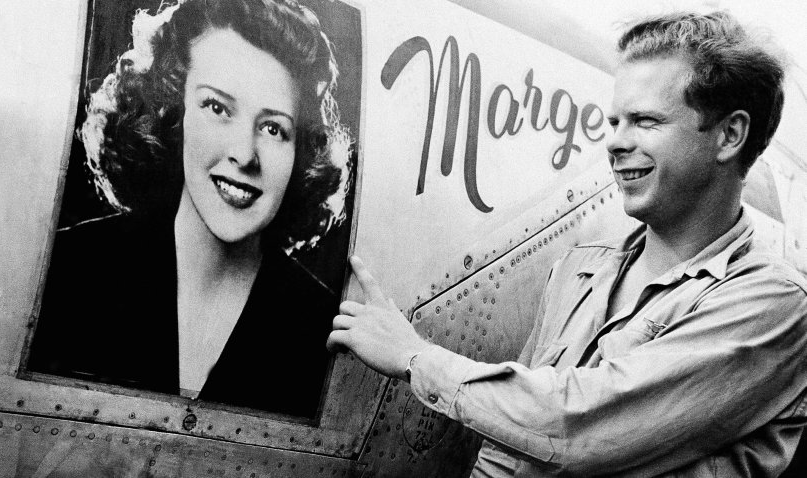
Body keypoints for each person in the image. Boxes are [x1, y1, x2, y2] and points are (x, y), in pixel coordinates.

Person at [328, 11, 807, 476]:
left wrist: (415, 358)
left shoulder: (775, 305)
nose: (615, 143)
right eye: (615, 122)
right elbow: (507, 449)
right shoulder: (580, 269)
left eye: (644, 121)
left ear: (730, 134)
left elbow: (579, 428)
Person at [28, 0, 352, 419]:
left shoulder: (320, 326)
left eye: (274, 128)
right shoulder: (69, 268)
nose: (243, 155)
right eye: (217, 108)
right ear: (171, 110)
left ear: (302, 152)